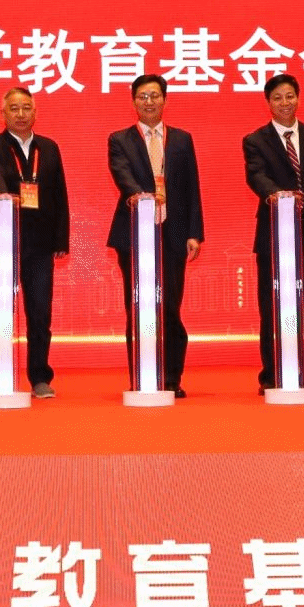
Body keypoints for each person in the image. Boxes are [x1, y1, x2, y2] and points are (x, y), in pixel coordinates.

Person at [105, 73, 204, 395]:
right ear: (134, 101)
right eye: (142, 97)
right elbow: (122, 174)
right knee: (138, 307)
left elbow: (191, 187)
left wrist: (194, 232)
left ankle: (172, 378)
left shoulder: (182, 139)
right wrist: (141, 196)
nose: (149, 102)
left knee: (170, 306)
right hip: (134, 235)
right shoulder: (120, 139)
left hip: (174, 234)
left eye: (154, 96)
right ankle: (142, 376)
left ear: (165, 99)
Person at [242, 73, 304, 394]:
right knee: (272, 305)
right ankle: (271, 375)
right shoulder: (255, 140)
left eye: (289, 96)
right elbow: (256, 176)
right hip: (273, 234)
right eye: (277, 98)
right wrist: (277, 195)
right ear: (268, 103)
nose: (285, 103)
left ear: (298, 98)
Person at [0, 86, 71, 398]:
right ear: (3, 113)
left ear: (35, 112)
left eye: (26, 108)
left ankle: (40, 377)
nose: (21, 114)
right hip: (5, 241)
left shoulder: (50, 147)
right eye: (14, 108)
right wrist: (2, 194)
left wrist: (61, 238)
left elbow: (59, 193)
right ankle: (2, 372)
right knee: (3, 310)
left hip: (41, 244)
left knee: (40, 313)